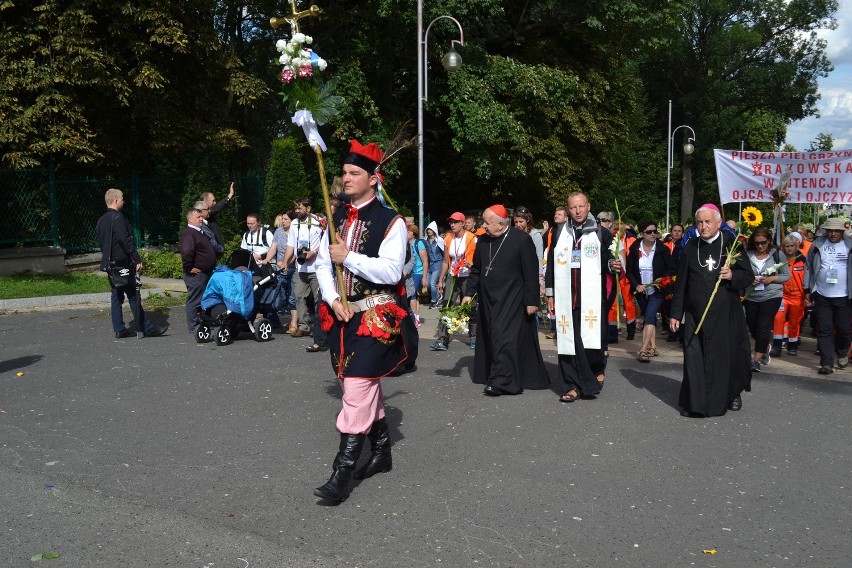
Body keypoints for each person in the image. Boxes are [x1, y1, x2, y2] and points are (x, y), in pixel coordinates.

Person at [313, 139, 409, 504]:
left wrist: (348, 256)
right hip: (343, 316)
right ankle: (382, 450)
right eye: (345, 172)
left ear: (373, 178)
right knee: (361, 385)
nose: (346, 178)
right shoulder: (336, 216)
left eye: (355, 173)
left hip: (375, 316)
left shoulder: (391, 221)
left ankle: (343, 472)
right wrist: (333, 298)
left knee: (355, 389)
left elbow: (390, 270)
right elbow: (323, 264)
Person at [669, 204, 752, 417]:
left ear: (718, 223)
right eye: (699, 222)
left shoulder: (731, 244)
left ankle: (731, 394)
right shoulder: (690, 247)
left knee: (726, 356)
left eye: (708, 222)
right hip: (696, 314)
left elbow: (748, 276)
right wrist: (676, 313)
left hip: (725, 314)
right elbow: (682, 285)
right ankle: (695, 403)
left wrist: (732, 275)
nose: (703, 226)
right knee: (695, 356)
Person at [462, 205, 550, 395]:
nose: (483, 226)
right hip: (488, 299)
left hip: (512, 298)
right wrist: (469, 293)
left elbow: (530, 273)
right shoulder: (484, 241)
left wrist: (532, 300)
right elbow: (476, 270)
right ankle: (494, 373)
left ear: (501, 224)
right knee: (491, 336)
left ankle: (504, 382)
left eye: (487, 222)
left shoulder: (521, 240)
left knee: (504, 338)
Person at [545, 192, 619, 403]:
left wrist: (612, 265)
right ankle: (572, 385)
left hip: (591, 300)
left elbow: (607, 260)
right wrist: (549, 293)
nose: (577, 211)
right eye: (573, 207)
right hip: (566, 298)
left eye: (581, 206)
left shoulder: (600, 232)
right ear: (567, 210)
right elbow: (551, 262)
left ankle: (595, 370)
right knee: (568, 342)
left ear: (588, 206)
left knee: (590, 342)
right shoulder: (560, 232)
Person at [96, 188, 167, 338]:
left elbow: (103, 243)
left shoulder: (101, 220)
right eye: (122, 199)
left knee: (116, 295)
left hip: (111, 264)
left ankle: (119, 329)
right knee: (133, 295)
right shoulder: (118, 218)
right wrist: (136, 258)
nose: (124, 201)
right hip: (123, 263)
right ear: (116, 201)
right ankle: (146, 328)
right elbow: (125, 240)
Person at [804, 217, 851, 375]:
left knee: (844, 329)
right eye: (829, 230)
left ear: (842, 231)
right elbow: (808, 266)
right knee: (824, 330)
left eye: (836, 231)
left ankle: (842, 351)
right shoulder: (818, 244)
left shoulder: (849, 245)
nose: (832, 234)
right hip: (822, 295)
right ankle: (826, 362)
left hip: (845, 296)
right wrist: (808, 289)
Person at [626, 220, 675, 362]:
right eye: (649, 232)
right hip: (641, 290)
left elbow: (671, 268)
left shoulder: (663, 249)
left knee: (649, 317)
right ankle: (653, 347)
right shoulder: (635, 249)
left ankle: (643, 350)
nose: (653, 234)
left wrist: (663, 278)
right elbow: (629, 271)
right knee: (650, 318)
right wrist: (636, 285)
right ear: (642, 233)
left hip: (657, 290)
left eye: (655, 231)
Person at [743, 228, 790, 372]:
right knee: (752, 326)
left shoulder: (777, 255)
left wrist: (771, 279)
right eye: (757, 243)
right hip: (751, 295)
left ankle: (756, 360)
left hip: (771, 295)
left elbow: (786, 275)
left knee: (763, 326)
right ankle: (764, 347)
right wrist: (750, 280)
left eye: (763, 243)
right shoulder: (747, 255)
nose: (760, 246)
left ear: (768, 241)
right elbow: (741, 274)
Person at [430, 212, 476, 351]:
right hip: (453, 276)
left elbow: (477, 260)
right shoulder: (448, 238)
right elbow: (445, 261)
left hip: (468, 276)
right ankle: (442, 340)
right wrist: (441, 280)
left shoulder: (471, 238)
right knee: (446, 305)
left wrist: (470, 265)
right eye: (451, 222)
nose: (452, 224)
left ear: (463, 223)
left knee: (471, 307)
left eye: (456, 222)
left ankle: (474, 338)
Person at [283, 197, 326, 341]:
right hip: (300, 268)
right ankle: (303, 326)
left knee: (318, 299)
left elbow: (326, 242)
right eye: (296, 209)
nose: (297, 211)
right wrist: (285, 262)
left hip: (317, 267)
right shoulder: (294, 223)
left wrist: (314, 252)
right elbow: (290, 245)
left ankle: (319, 327)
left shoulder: (318, 222)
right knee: (299, 296)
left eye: (300, 208)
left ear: (308, 208)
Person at [180, 208, 217, 334]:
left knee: (203, 299)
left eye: (202, 217)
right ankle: (194, 327)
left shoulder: (200, 232)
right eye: (198, 217)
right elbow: (186, 252)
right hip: (196, 274)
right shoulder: (189, 233)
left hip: (205, 273)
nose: (201, 219)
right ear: (190, 219)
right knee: (194, 300)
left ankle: (203, 323)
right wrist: (189, 267)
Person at [772, 235, 807, 357]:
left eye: (792, 246)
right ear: (783, 247)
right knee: (778, 319)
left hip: (798, 296)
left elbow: (807, 277)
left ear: (796, 246)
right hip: (782, 295)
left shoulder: (802, 260)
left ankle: (792, 346)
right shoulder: (778, 260)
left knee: (794, 322)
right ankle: (776, 346)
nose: (790, 249)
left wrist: (807, 294)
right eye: (787, 246)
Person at [274, 211, 299, 334]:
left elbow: (294, 252)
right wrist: (267, 259)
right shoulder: (278, 232)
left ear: (292, 221)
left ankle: (294, 323)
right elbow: (273, 247)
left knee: (292, 298)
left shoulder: (296, 231)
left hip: (293, 269)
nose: (283, 221)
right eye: (282, 219)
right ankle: (275, 321)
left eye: (286, 219)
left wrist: (286, 263)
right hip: (280, 270)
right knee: (279, 298)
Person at [201, 182, 235, 253]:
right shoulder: (203, 213)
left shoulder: (209, 214)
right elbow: (217, 208)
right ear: (205, 202)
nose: (215, 203)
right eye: (213, 201)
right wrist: (229, 196)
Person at [406, 223, 428, 327]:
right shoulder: (405, 244)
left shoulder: (418, 243)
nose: (406, 233)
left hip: (418, 272)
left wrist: (424, 277)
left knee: (412, 294)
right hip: (409, 272)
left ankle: (414, 318)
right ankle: (416, 317)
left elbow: (425, 261)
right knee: (413, 295)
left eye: (408, 231)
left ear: (413, 233)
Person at [424, 221, 444, 308]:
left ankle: (434, 301)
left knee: (432, 283)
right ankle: (437, 297)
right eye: (428, 229)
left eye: (431, 230)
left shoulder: (439, 240)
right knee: (428, 283)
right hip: (429, 264)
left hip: (438, 263)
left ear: (434, 231)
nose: (429, 231)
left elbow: (444, 252)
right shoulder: (425, 241)